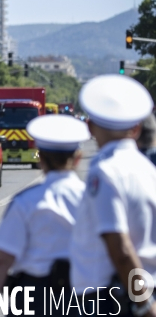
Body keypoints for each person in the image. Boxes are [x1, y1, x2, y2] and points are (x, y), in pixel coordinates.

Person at [0, 114, 90, 316]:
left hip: (34, 299)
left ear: (40, 158)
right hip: (85, 298)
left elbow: (1, 261)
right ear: (77, 158)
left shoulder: (25, 201)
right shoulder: (94, 200)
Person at [71, 74, 156, 316]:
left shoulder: (105, 172)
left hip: (114, 300)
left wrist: (146, 305)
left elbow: (120, 249)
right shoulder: (148, 170)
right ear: (136, 129)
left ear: (90, 127)